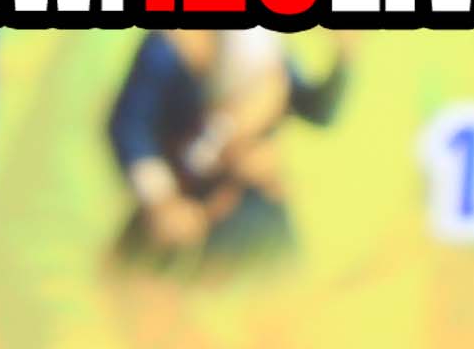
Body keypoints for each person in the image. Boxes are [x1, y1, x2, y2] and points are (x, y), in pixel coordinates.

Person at [110, 25, 346, 276]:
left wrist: (345, 56)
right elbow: (131, 127)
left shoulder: (264, 48)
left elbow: (316, 110)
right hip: (187, 212)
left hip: (254, 211)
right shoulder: (170, 44)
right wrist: (161, 200)